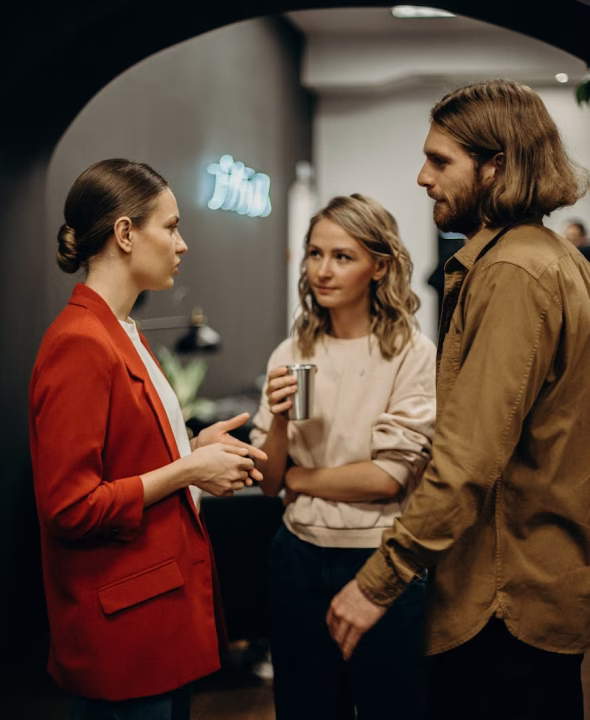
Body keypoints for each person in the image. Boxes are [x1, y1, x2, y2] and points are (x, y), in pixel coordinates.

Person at [327, 80, 590, 720]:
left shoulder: (513, 273)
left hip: (502, 600)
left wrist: (378, 582)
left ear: (497, 166)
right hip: (531, 590)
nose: (422, 177)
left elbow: (469, 457)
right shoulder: (552, 259)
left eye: (440, 161)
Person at [29, 159, 268, 720]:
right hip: (122, 631)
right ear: (125, 233)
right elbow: (70, 506)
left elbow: (128, 459)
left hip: (157, 613)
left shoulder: (123, 330)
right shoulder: (80, 342)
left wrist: (192, 447)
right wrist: (188, 469)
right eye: (171, 226)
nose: (182, 245)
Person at [250, 193, 436, 720]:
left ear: (379, 266)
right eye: (314, 254)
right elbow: (268, 483)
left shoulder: (409, 352)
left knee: (391, 705)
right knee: (305, 707)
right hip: (297, 556)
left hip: (380, 560)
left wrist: (301, 478)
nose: (321, 272)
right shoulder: (291, 353)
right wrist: (280, 420)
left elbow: (386, 479)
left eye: (341, 256)